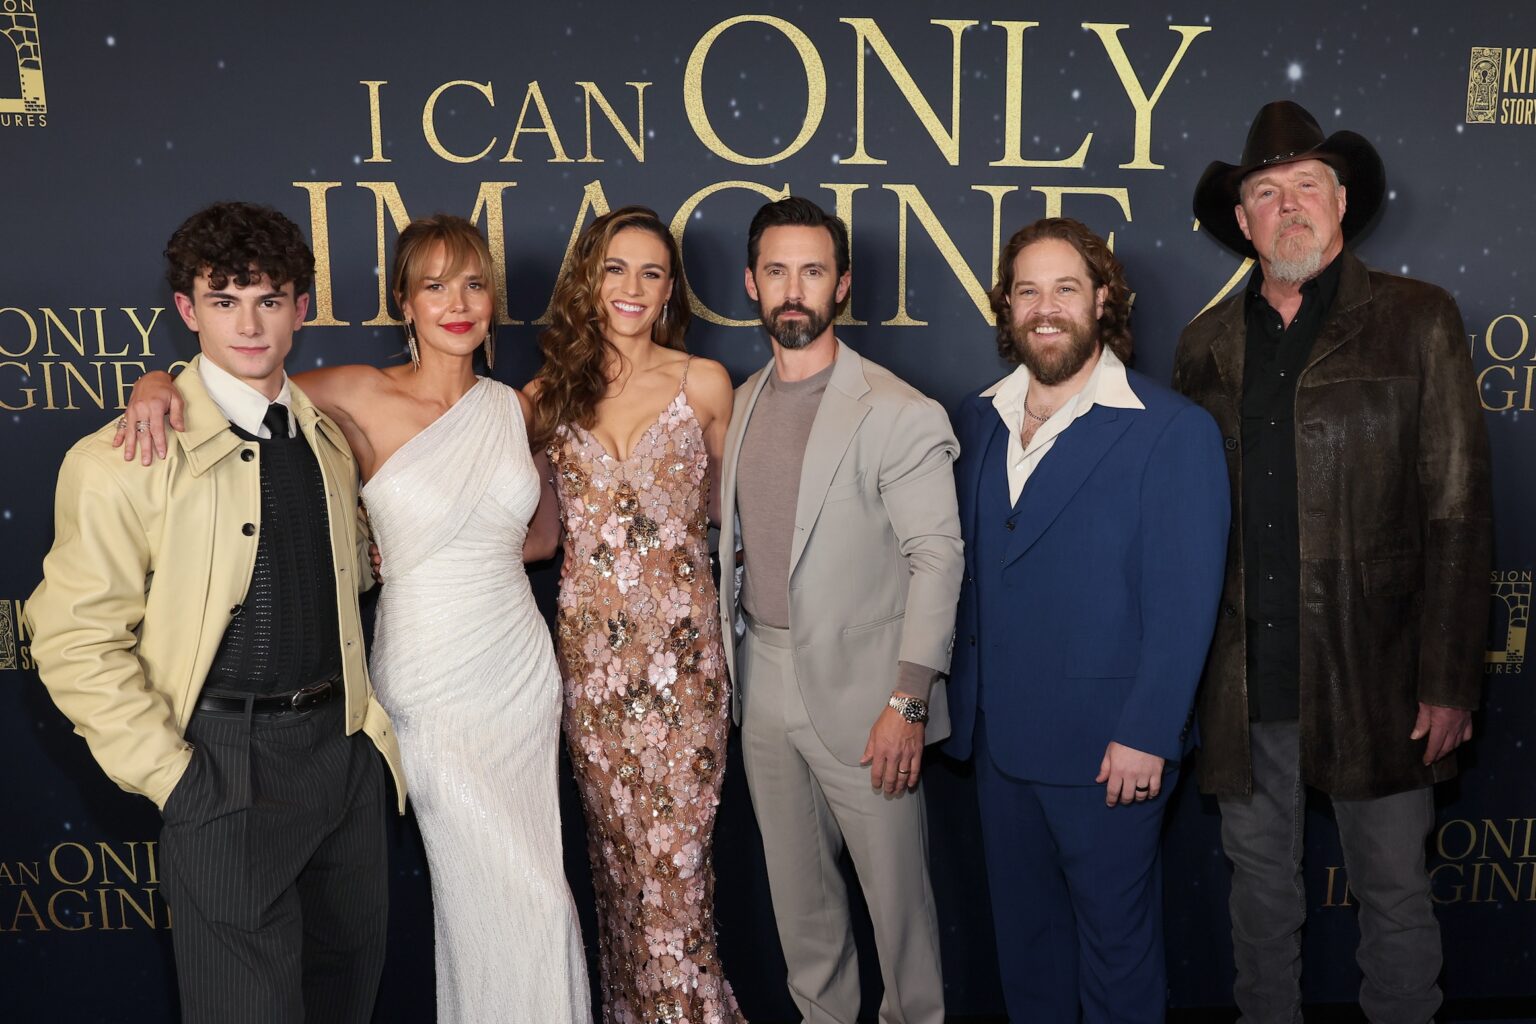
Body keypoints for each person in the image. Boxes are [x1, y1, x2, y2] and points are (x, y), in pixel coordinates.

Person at [114, 214, 592, 1022]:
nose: (457, 303)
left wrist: (468, 551)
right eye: (435, 284)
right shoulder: (353, 391)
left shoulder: (511, 406)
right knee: (504, 891)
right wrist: (156, 382)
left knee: (538, 884)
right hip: (429, 679)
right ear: (403, 301)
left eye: (474, 284)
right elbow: (240, 379)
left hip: (516, 667)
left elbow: (540, 536)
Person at [27, 201, 406, 1022]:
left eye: (269, 299)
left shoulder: (326, 439)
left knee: (347, 1000)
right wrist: (177, 778)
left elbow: (344, 577)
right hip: (224, 766)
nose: (249, 323)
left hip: (340, 756)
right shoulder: (121, 459)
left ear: (302, 309)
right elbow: (72, 639)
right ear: (187, 311)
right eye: (225, 300)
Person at [1174, 100, 1492, 1023]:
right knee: (1260, 902)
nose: (1288, 206)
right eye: (1265, 193)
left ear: (1341, 200)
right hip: (1245, 677)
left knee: (1394, 896)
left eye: (1306, 185)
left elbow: (1461, 509)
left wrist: (1450, 678)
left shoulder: (1418, 319)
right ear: (1242, 222)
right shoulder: (1205, 347)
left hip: (1381, 672)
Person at [944, 217, 1229, 1022]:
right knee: (1027, 955)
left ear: (1104, 299)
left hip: (1112, 752)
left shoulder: (1170, 429)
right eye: (1027, 290)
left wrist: (1148, 730)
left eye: (1066, 287)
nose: (1046, 307)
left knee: (1116, 958)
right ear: (1006, 307)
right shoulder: (978, 418)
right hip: (998, 744)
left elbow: (1185, 596)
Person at [716, 196, 962, 1024]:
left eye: (812, 271)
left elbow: (938, 559)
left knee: (901, 923)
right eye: (777, 271)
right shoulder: (743, 400)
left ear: (842, 285)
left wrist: (908, 700)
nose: (794, 289)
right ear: (751, 283)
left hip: (870, 697)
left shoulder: (900, 411)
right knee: (803, 917)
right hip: (763, 678)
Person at [530, 205, 742, 1023]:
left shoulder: (704, 383)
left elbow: (738, 521)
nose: (632, 287)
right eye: (616, 267)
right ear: (589, 278)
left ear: (669, 291)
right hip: (594, 678)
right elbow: (540, 537)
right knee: (621, 882)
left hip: (686, 674)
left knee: (679, 879)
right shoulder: (544, 399)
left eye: (652, 272)